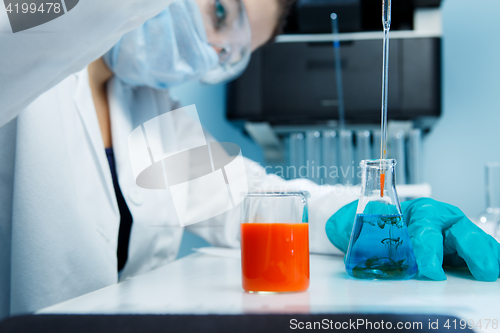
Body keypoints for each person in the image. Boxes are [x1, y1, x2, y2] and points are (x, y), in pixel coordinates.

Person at [0, 0, 498, 321]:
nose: (215, 47)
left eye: (233, 52)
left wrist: (369, 216)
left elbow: (246, 197)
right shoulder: (22, 34)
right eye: (221, 12)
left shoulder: (146, 108)